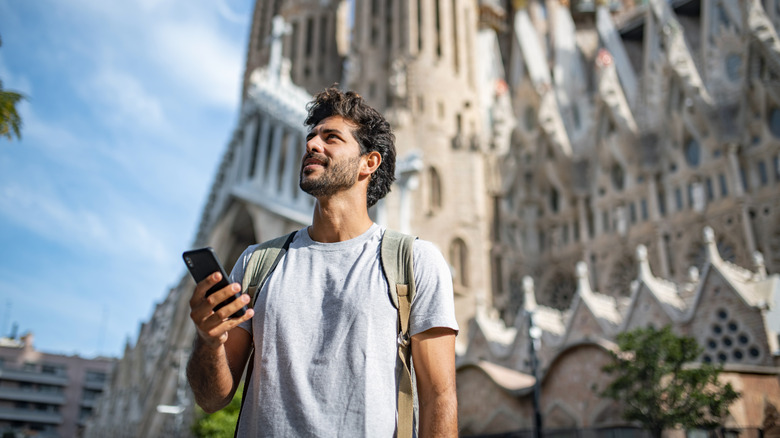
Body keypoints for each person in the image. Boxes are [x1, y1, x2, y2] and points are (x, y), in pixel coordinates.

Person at [186, 87, 459, 437]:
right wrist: (208, 341)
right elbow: (212, 398)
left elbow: (440, 397)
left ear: (369, 162)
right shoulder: (258, 262)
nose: (313, 145)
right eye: (312, 136)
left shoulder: (413, 262)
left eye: (331, 138)